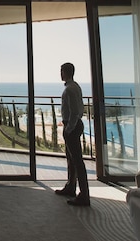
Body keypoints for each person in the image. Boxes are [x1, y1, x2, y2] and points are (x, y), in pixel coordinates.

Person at [54, 62, 90, 207]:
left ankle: (84, 195)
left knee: (77, 161)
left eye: (61, 71)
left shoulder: (70, 89)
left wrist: (68, 128)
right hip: (73, 125)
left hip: (72, 127)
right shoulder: (75, 86)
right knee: (71, 159)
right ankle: (71, 187)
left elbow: (75, 112)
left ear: (66, 72)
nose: (60, 74)